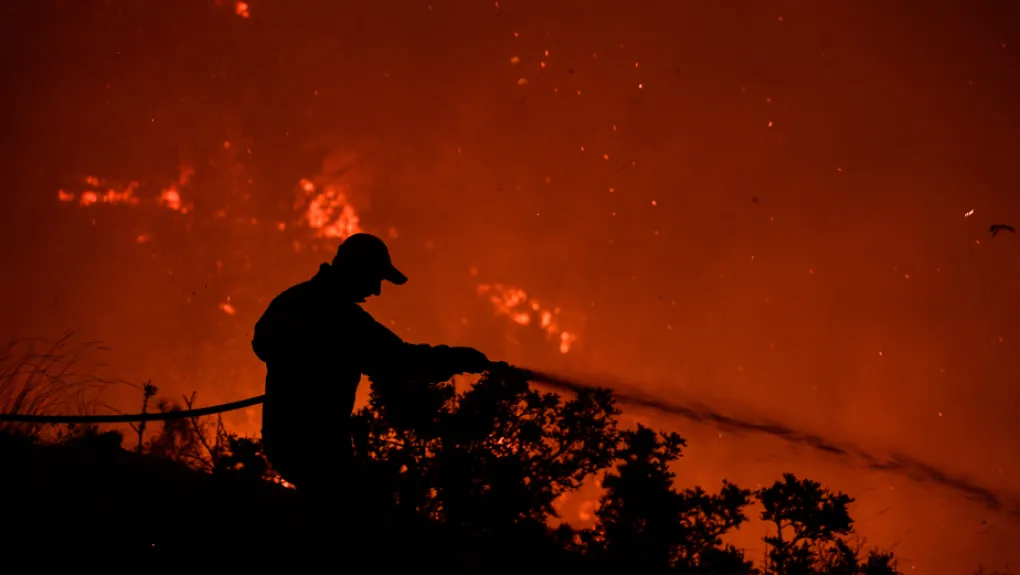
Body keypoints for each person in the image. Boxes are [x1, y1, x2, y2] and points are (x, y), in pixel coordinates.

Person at [251, 232, 491, 570]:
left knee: (328, 518)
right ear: (356, 270)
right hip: (312, 444)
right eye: (375, 280)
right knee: (355, 530)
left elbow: (263, 343)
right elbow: (400, 360)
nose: (376, 291)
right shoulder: (340, 319)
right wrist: (457, 360)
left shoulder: (299, 302)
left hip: (289, 437)